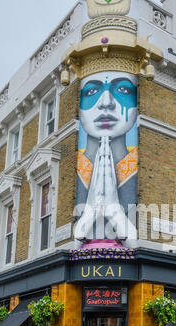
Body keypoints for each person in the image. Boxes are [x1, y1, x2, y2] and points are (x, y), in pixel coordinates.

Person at [75, 70, 138, 242]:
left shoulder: (138, 166)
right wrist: (88, 214)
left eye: (123, 90)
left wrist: (116, 213)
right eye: (91, 92)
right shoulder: (76, 167)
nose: (106, 103)